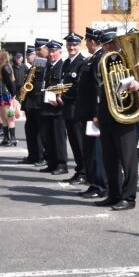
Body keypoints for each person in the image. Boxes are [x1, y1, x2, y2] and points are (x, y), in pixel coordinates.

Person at [94, 28, 139, 211]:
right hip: (107, 115)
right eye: (105, 44)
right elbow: (100, 91)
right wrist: (98, 114)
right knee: (109, 159)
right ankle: (113, 195)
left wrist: (138, 84)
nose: (108, 47)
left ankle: (129, 198)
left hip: (125, 117)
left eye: (111, 43)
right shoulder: (102, 61)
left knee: (128, 160)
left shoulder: (130, 58)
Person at [75, 28, 108, 199]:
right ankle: (94, 182)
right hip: (87, 113)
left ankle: (100, 185)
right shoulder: (94, 58)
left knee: (95, 150)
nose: (85, 44)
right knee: (89, 150)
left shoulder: (100, 58)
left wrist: (97, 113)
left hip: (93, 114)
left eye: (87, 41)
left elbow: (98, 89)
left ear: (93, 42)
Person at [60, 32, 87, 185]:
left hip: (76, 108)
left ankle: (84, 172)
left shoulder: (82, 62)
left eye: (75, 44)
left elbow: (78, 87)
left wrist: (63, 96)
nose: (72, 47)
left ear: (79, 45)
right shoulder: (66, 63)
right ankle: (79, 170)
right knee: (74, 142)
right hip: (67, 108)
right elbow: (64, 85)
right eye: (69, 44)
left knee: (79, 141)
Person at [38, 39, 68, 176]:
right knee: (48, 137)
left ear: (59, 52)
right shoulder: (48, 67)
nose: (51, 54)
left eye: (54, 51)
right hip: (46, 107)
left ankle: (62, 164)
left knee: (58, 138)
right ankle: (52, 163)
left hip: (57, 108)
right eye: (50, 51)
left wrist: (59, 97)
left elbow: (65, 84)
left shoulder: (62, 66)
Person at [18, 38, 49, 166]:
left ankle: (41, 156)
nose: (37, 53)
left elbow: (39, 83)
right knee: (30, 130)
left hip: (38, 102)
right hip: (30, 102)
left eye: (39, 50)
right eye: (36, 50)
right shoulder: (37, 63)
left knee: (40, 132)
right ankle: (33, 155)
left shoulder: (44, 63)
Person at [0, 51, 18, 146]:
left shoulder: (5, 67)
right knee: (3, 117)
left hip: (5, 95)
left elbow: (10, 82)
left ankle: (13, 138)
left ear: (2, 57)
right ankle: (6, 138)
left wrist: (13, 95)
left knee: (8, 117)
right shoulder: (0, 67)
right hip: (0, 94)